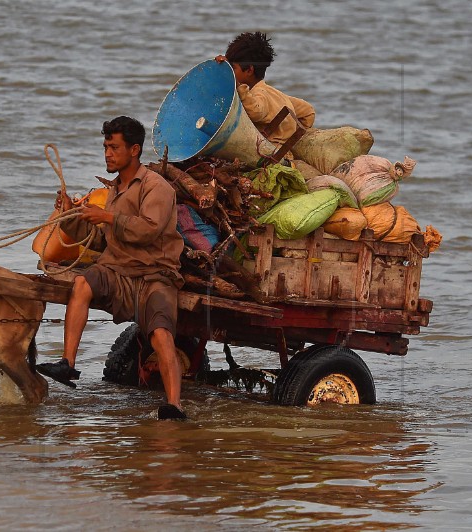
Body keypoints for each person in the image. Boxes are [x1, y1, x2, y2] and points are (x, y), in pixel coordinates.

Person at [35, 116, 188, 420]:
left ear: (134, 150)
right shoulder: (113, 191)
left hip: (154, 275)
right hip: (117, 271)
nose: (107, 153)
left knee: (160, 333)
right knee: (83, 283)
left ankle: (174, 405)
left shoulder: (156, 187)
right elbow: (96, 241)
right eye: (105, 147)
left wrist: (106, 218)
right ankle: (67, 363)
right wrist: (70, 214)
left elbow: (149, 230)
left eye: (114, 147)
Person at [216, 31, 315, 148]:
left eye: (232, 68)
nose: (229, 72)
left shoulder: (258, 95)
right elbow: (308, 112)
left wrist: (238, 85)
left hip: (272, 153)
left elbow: (255, 111)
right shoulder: (273, 93)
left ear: (249, 70)